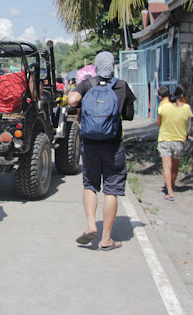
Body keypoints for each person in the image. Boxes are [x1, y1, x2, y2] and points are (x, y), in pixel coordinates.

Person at [67, 51, 136, 250]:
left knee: (90, 185)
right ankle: (106, 239)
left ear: (96, 66)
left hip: (89, 144)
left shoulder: (87, 84)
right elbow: (129, 115)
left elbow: (72, 101)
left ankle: (91, 225)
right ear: (112, 65)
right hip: (113, 145)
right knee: (111, 190)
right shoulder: (122, 85)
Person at [157, 86, 193, 201]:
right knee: (175, 166)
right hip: (179, 141)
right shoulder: (187, 108)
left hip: (165, 140)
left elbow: (159, 123)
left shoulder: (165, 106)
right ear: (182, 96)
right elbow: (184, 123)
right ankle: (171, 185)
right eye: (186, 96)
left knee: (167, 167)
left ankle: (170, 192)